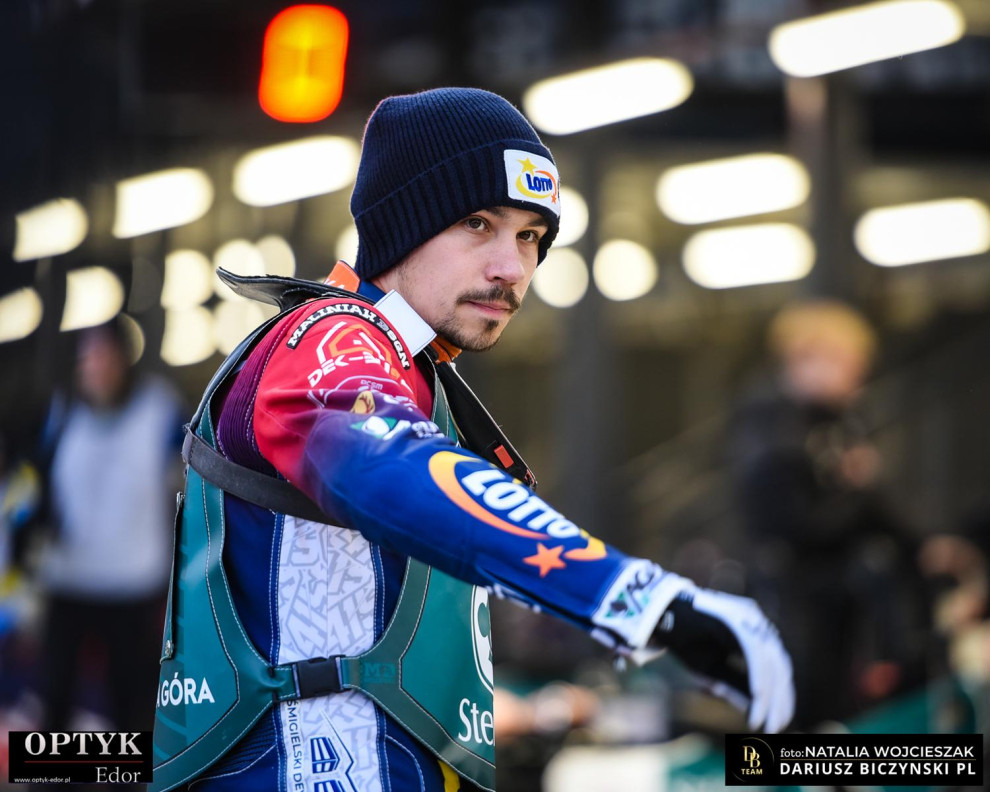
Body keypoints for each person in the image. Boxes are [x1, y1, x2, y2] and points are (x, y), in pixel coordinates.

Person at [151, 87, 793, 792]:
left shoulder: (412, 368)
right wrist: (639, 601)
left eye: (530, 237)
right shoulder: (331, 339)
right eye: (478, 224)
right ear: (403, 227)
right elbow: (387, 467)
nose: (512, 268)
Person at [729, 300, 929, 728]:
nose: (856, 376)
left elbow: (874, 513)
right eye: (846, 363)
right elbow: (793, 524)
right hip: (792, 608)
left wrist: (919, 544)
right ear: (805, 358)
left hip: (839, 607)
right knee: (800, 718)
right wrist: (857, 490)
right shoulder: (771, 427)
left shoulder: (840, 424)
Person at [37, 318, 182, 737]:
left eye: (104, 355)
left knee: (131, 706)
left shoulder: (159, 409)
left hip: (134, 582)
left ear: (124, 359)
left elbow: (187, 485)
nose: (95, 366)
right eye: (87, 357)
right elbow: (38, 486)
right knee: (54, 702)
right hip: (68, 577)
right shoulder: (63, 410)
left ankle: (121, 773)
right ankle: (52, 773)